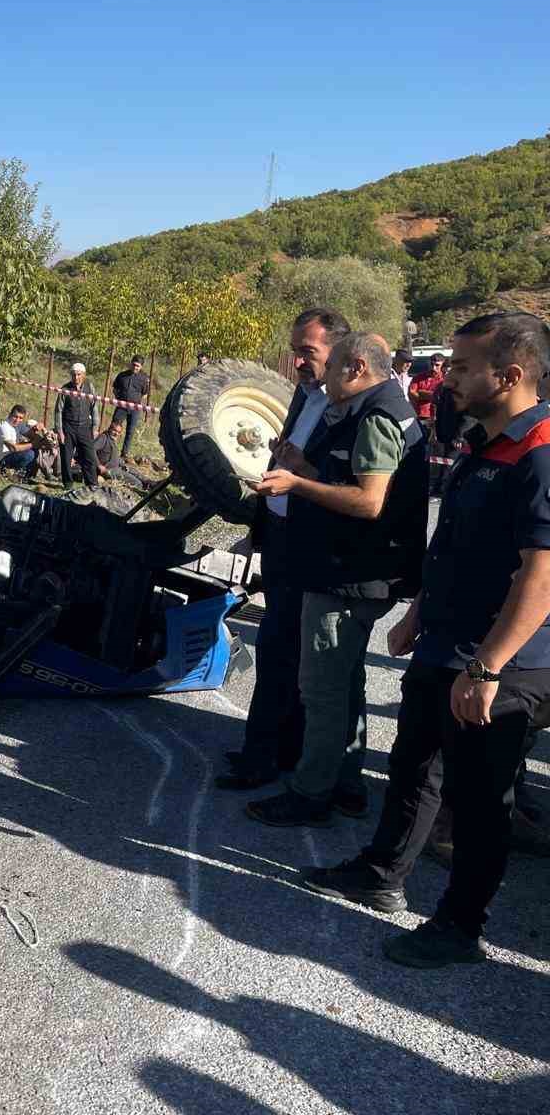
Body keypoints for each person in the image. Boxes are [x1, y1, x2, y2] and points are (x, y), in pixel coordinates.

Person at [302, 311, 550, 967]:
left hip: (501, 659)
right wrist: (418, 615)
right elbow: (454, 539)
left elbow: (542, 574)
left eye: (466, 367)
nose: (450, 377)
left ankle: (461, 926)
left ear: (512, 374)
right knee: (414, 764)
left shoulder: (541, 451)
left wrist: (491, 666)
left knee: (477, 797)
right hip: (447, 641)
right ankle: (381, 874)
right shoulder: (482, 440)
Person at [245, 332, 426, 825]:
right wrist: (305, 465)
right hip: (353, 570)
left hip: (348, 573)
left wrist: (298, 483)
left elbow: (370, 501)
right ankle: (346, 783)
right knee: (347, 682)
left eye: (331, 367)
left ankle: (310, 794)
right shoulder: (373, 407)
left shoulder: (377, 416)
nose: (321, 376)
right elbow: (351, 478)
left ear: (357, 367)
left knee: (322, 689)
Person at [216, 307, 352, 791]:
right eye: (295, 351)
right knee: (282, 650)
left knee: (282, 652)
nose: (297, 362)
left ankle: (264, 758)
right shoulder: (306, 393)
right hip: (278, 538)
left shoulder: (349, 406)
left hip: (308, 548)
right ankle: (277, 750)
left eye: (306, 352)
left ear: (338, 352)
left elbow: (346, 486)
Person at [55, 362, 100, 488]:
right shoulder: (65, 389)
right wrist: (60, 431)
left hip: (85, 427)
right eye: (74, 375)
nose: (76, 378)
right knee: (66, 457)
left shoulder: (89, 387)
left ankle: (92, 484)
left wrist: (95, 427)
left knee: (89, 457)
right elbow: (58, 410)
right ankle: (68, 484)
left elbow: (94, 408)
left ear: (84, 375)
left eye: (79, 375)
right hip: (68, 427)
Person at [110, 356, 151, 459]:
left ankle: (124, 454)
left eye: (137, 366)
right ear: (130, 363)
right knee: (114, 428)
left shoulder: (144, 378)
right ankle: (109, 450)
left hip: (135, 409)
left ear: (141, 367)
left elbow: (145, 394)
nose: (135, 367)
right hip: (121, 407)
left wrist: (137, 402)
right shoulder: (122, 375)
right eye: (134, 364)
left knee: (130, 431)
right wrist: (119, 399)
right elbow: (115, 389)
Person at [0, 403, 39, 477]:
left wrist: (41, 429)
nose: (17, 420)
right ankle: (12, 474)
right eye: (15, 416)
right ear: (10, 415)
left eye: (21, 418)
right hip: (2, 459)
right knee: (30, 453)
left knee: (35, 451)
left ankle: (26, 477)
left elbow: (33, 436)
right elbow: (13, 448)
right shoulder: (4, 426)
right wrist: (33, 444)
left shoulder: (17, 425)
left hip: (10, 455)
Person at [409, 354, 446, 425]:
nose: (433, 368)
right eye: (431, 364)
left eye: (437, 365)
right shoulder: (418, 377)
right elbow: (412, 394)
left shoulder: (445, 379)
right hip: (420, 415)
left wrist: (421, 393)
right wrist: (432, 396)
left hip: (438, 416)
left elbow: (442, 398)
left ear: (442, 365)